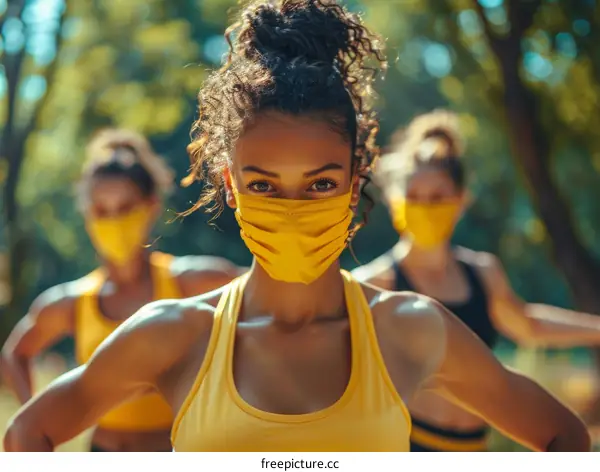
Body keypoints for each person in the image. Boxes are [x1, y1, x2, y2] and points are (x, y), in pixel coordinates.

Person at [2, 0, 590, 453]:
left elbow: (566, 438)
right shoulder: (174, 334)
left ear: (355, 181)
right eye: (262, 185)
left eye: (319, 184)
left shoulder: (411, 331)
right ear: (230, 185)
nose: (291, 208)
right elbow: (27, 436)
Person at [352, 109, 600, 452]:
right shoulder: (375, 283)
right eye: (414, 197)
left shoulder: (483, 273)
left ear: (461, 201)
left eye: (437, 197)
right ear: (396, 203)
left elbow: (528, 324)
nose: (425, 206)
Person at [0, 128, 242, 452]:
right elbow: (16, 353)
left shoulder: (190, 282)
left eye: (126, 207)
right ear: (88, 217)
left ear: (151, 206)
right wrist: (38, 418)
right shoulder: (72, 302)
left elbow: (269, 296)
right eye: (102, 211)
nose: (114, 220)